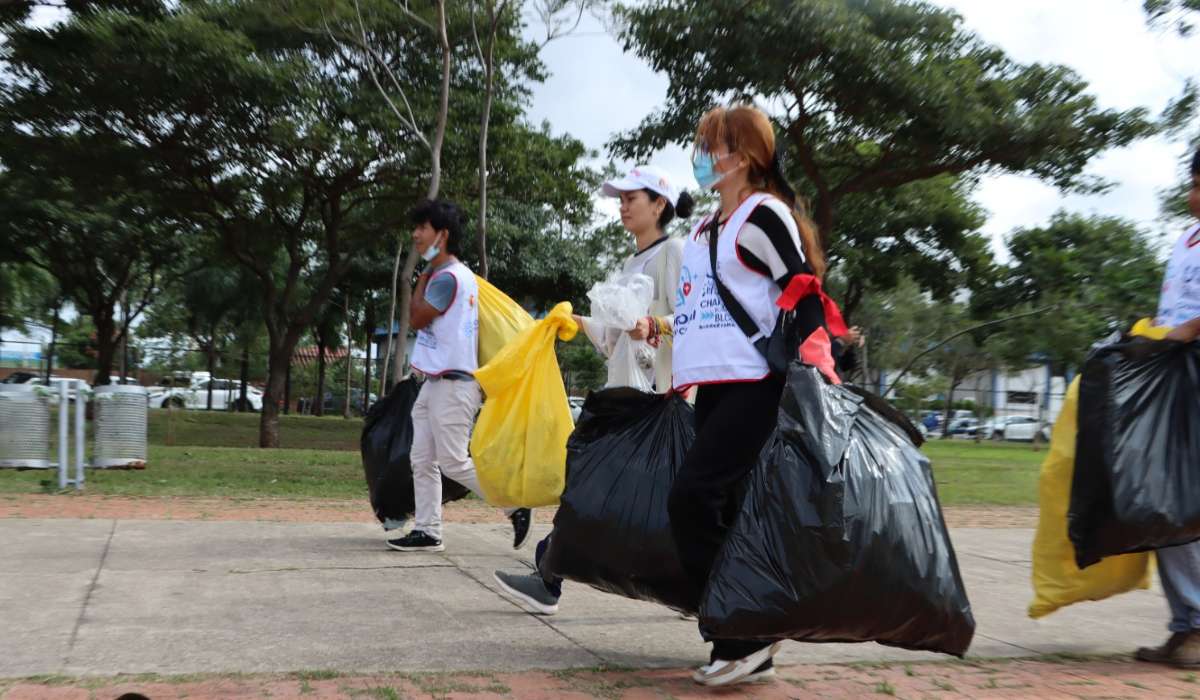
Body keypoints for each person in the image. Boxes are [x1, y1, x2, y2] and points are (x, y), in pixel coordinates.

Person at [669, 104, 838, 687]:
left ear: (741, 157)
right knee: (725, 509)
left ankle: (746, 633)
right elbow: (699, 309)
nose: (700, 156)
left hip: (756, 386)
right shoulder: (705, 226)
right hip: (715, 388)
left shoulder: (764, 217)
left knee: (691, 499)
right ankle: (742, 629)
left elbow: (803, 291)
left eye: (709, 146)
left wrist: (810, 366)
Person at [491, 165, 695, 614]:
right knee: (599, 487)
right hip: (626, 397)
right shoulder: (630, 263)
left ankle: (550, 576)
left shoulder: (674, 253)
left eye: (631, 198)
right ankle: (550, 576)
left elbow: (696, 319)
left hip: (659, 399)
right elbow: (616, 338)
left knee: (602, 489)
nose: (622, 206)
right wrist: (574, 321)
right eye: (619, 199)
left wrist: (654, 325)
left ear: (658, 205)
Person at [386, 199, 531, 554]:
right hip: (438, 383)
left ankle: (514, 505)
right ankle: (428, 530)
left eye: (423, 227)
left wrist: (419, 278)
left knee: (452, 461)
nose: (416, 234)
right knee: (422, 458)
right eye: (416, 227)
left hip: (454, 384)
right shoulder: (456, 275)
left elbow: (418, 318)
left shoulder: (446, 278)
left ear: (443, 234)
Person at [1135, 147, 1200, 668]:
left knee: (1183, 502)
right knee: (1165, 501)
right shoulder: (1187, 238)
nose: (1192, 193)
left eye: (1198, 183)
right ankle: (1186, 625)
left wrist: (1187, 332)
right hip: (1176, 372)